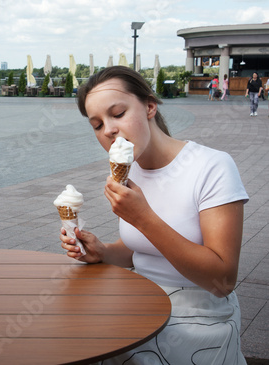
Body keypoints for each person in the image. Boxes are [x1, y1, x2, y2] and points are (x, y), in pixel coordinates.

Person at [60, 66, 248, 364]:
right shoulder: (129, 170)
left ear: (149, 106)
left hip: (197, 314)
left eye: (118, 114)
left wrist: (143, 217)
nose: (108, 130)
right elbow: (140, 250)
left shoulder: (211, 166)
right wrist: (103, 251)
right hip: (140, 300)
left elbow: (222, 280)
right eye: (96, 124)